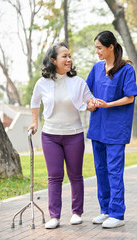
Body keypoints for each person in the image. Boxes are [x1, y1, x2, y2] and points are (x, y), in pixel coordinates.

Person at [28, 42, 95, 229]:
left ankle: (76, 212)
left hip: (74, 135)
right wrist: (35, 122)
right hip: (50, 135)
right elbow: (35, 103)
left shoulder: (78, 82)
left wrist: (92, 104)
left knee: (75, 175)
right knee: (54, 176)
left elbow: (89, 100)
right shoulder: (42, 83)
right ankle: (54, 216)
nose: (69, 59)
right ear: (53, 60)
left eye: (69, 56)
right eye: (64, 56)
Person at [86, 30, 137, 228]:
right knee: (100, 170)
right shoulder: (97, 68)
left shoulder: (126, 69)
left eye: (99, 48)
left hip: (116, 129)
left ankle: (117, 214)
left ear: (110, 47)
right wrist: (90, 104)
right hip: (98, 127)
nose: (97, 52)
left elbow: (130, 97)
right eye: (95, 48)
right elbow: (87, 92)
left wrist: (108, 105)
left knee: (114, 171)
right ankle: (105, 210)